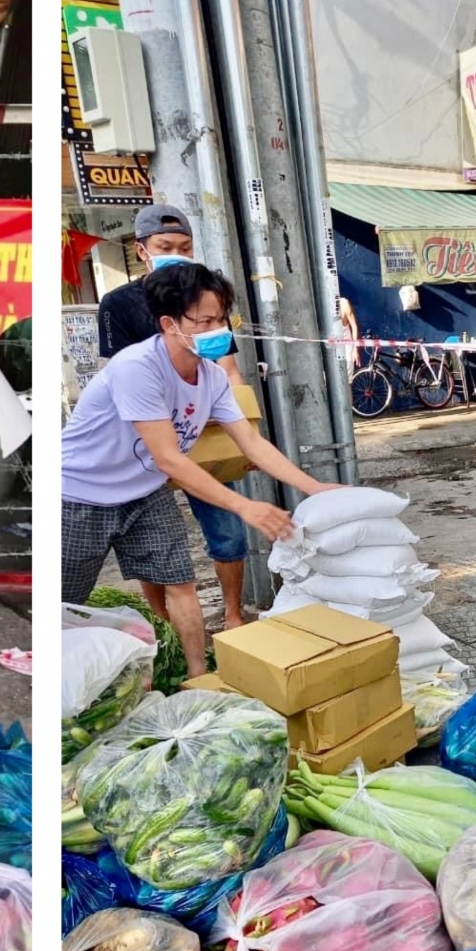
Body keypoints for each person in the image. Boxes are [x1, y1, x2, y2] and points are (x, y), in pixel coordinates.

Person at [63, 263, 343, 678]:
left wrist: (313, 486)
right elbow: (169, 458)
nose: (217, 329)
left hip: (144, 492)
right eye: (204, 320)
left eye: (221, 319)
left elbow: (251, 442)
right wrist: (246, 507)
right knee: (64, 601)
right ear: (169, 324)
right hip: (78, 495)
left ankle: (198, 678)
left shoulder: (211, 377)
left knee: (181, 583)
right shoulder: (136, 368)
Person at [97, 204, 256, 626]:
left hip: (204, 432)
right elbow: (116, 376)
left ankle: (234, 615)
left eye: (185, 247)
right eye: (165, 246)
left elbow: (227, 368)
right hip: (148, 441)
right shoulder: (118, 304)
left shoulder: (206, 297)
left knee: (227, 529)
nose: (177, 253)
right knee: (149, 542)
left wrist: (245, 426)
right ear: (142, 249)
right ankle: (165, 624)